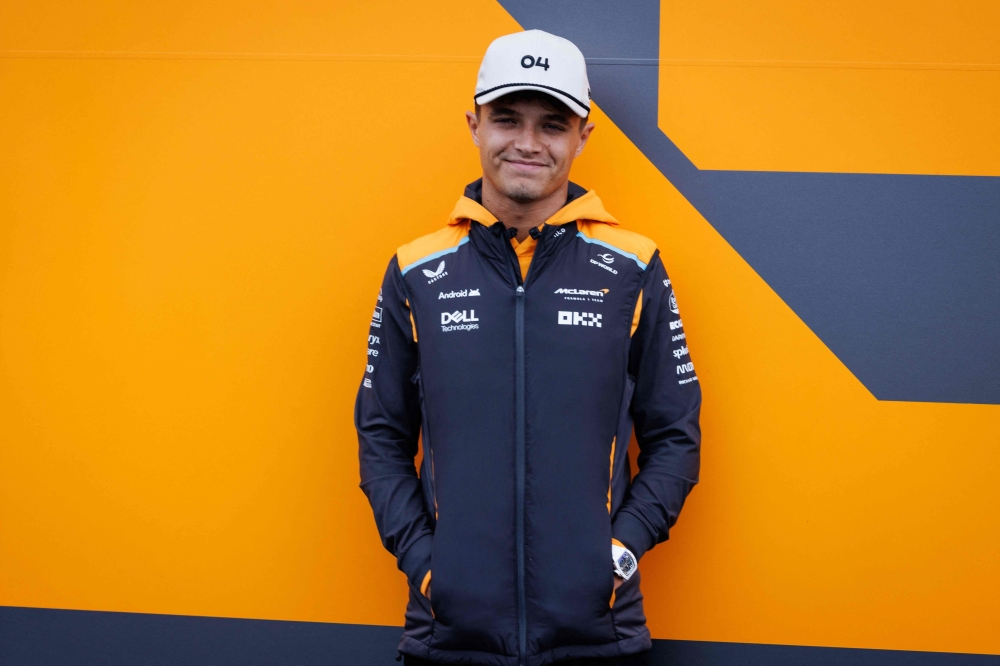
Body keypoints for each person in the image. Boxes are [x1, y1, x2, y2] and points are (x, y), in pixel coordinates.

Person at [356, 29, 701, 666]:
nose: (527, 143)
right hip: (447, 639)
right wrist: (428, 569)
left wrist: (620, 553)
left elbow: (675, 433)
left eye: (552, 124)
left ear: (583, 136)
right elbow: (380, 433)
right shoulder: (415, 270)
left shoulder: (633, 266)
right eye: (507, 119)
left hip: (599, 638)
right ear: (474, 124)